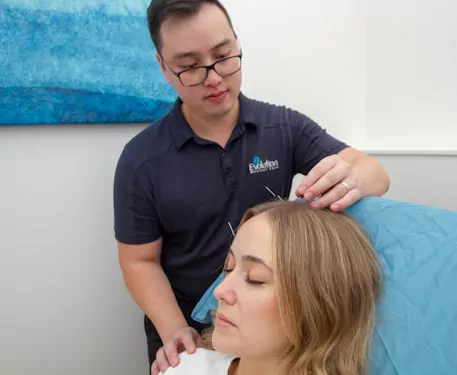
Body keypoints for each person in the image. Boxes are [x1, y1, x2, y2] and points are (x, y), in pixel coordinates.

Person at [113, 0, 390, 370]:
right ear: (164, 67)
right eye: (190, 66)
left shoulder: (284, 128)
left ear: (237, 44)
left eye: (223, 55)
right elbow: (138, 261)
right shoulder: (141, 160)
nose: (214, 78)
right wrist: (174, 328)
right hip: (189, 332)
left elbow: (374, 174)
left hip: (269, 329)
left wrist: (351, 178)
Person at [152, 200, 382, 375]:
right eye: (229, 268)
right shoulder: (185, 368)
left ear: (318, 304)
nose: (219, 292)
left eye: (255, 278)